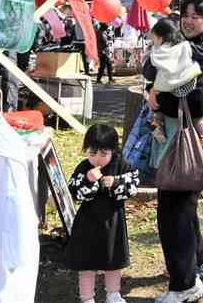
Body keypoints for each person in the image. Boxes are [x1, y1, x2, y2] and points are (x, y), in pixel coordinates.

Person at [144, 0, 203, 303]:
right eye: (185, 15)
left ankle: (184, 286)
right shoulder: (181, 49)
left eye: (197, 16)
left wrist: (158, 100)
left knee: (173, 213)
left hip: (187, 144)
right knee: (184, 208)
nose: (188, 20)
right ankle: (197, 264)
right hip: (178, 141)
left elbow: (197, 102)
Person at [65, 124, 139, 303]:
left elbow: (133, 185)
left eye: (103, 154)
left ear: (113, 151)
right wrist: (88, 181)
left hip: (113, 221)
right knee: (86, 263)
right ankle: (87, 297)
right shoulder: (83, 168)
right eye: (92, 154)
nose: (97, 159)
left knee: (113, 260)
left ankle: (113, 294)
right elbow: (74, 192)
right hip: (87, 223)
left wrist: (115, 183)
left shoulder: (121, 165)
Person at [144, 18, 203, 154]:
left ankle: (157, 127)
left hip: (165, 96)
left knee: (156, 108)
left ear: (160, 37)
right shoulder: (187, 46)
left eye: (155, 39)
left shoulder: (157, 53)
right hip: (189, 90)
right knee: (199, 118)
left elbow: (149, 73)